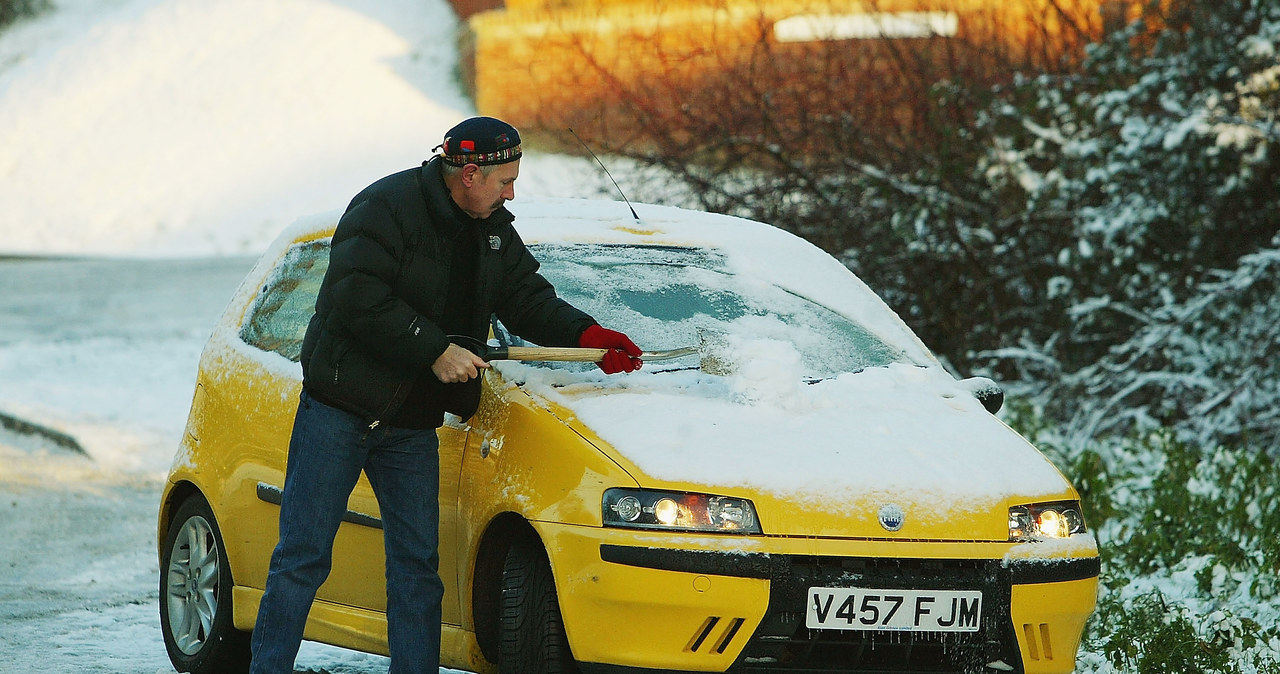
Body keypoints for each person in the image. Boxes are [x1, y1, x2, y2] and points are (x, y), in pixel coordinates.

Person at [248, 116, 644, 674]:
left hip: (410, 423)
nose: (512, 192)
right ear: (470, 173)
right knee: (303, 559)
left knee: (417, 568)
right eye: (505, 180)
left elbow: (527, 298)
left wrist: (587, 336)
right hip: (340, 410)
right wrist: (433, 349)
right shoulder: (385, 207)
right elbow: (355, 294)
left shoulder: (492, 230)